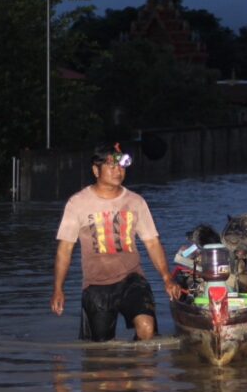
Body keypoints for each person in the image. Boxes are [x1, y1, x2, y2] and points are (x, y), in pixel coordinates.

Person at [51, 142, 182, 340]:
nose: (118, 171)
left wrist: (166, 278)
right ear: (96, 170)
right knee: (100, 351)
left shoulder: (136, 202)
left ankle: (140, 360)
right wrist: (58, 289)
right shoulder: (77, 203)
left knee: (147, 328)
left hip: (132, 279)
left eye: (121, 166)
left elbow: (152, 243)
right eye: (111, 166)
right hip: (96, 285)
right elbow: (65, 250)